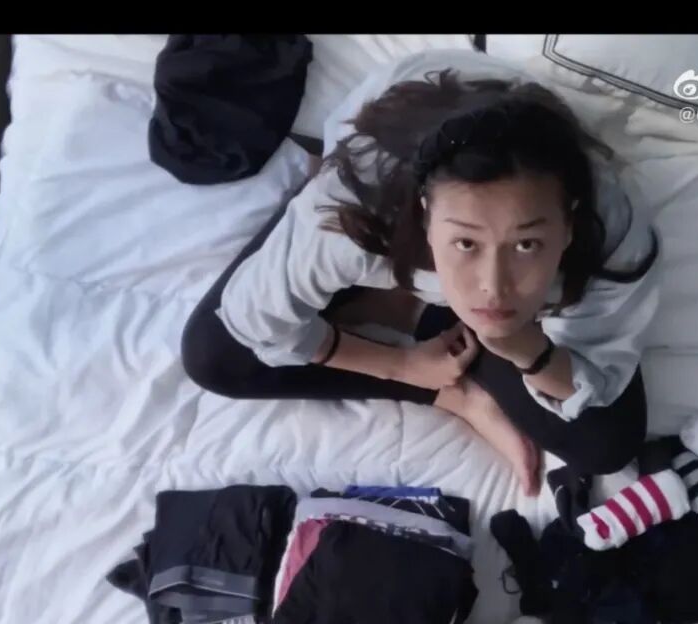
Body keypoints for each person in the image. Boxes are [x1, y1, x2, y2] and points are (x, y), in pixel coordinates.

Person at [181, 51, 660, 496]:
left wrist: (527, 351)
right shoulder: (351, 215)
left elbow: (596, 373)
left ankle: (405, 307)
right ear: (427, 216)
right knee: (213, 354)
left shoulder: (611, 228)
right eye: (466, 243)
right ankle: (447, 375)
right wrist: (406, 368)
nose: (493, 286)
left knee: (606, 444)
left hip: (510, 209)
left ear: (568, 225)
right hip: (385, 179)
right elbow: (257, 317)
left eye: (526, 244)